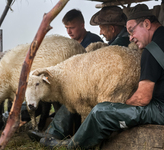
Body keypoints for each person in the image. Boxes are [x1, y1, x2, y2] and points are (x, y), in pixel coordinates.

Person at [37, 3, 164, 149]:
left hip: (160, 110)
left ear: (147, 24)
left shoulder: (151, 51)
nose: (130, 38)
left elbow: (142, 98)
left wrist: (121, 108)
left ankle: (69, 146)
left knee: (101, 111)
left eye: (131, 31)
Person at [27, 6, 131, 146]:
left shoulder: (119, 44)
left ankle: (56, 134)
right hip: (100, 82)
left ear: (112, 28)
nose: (100, 32)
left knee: (74, 96)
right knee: (71, 94)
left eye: (102, 28)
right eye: (66, 28)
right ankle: (55, 132)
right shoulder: (115, 41)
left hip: (109, 86)